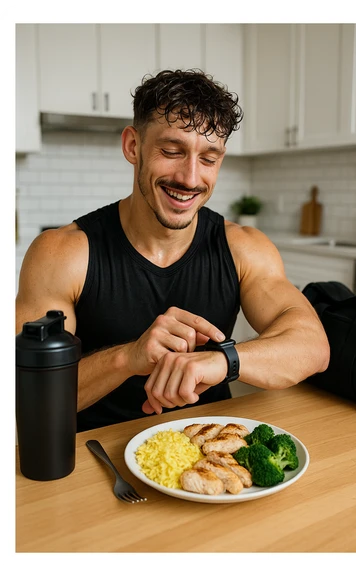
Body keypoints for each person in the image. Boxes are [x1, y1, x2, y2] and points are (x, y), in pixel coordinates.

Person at [16, 69, 330, 432]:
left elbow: (312, 347)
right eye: (171, 151)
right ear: (133, 147)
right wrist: (128, 357)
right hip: (95, 458)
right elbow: (25, 396)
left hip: (206, 454)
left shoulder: (243, 247)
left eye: (209, 158)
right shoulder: (62, 253)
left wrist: (221, 361)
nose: (190, 178)